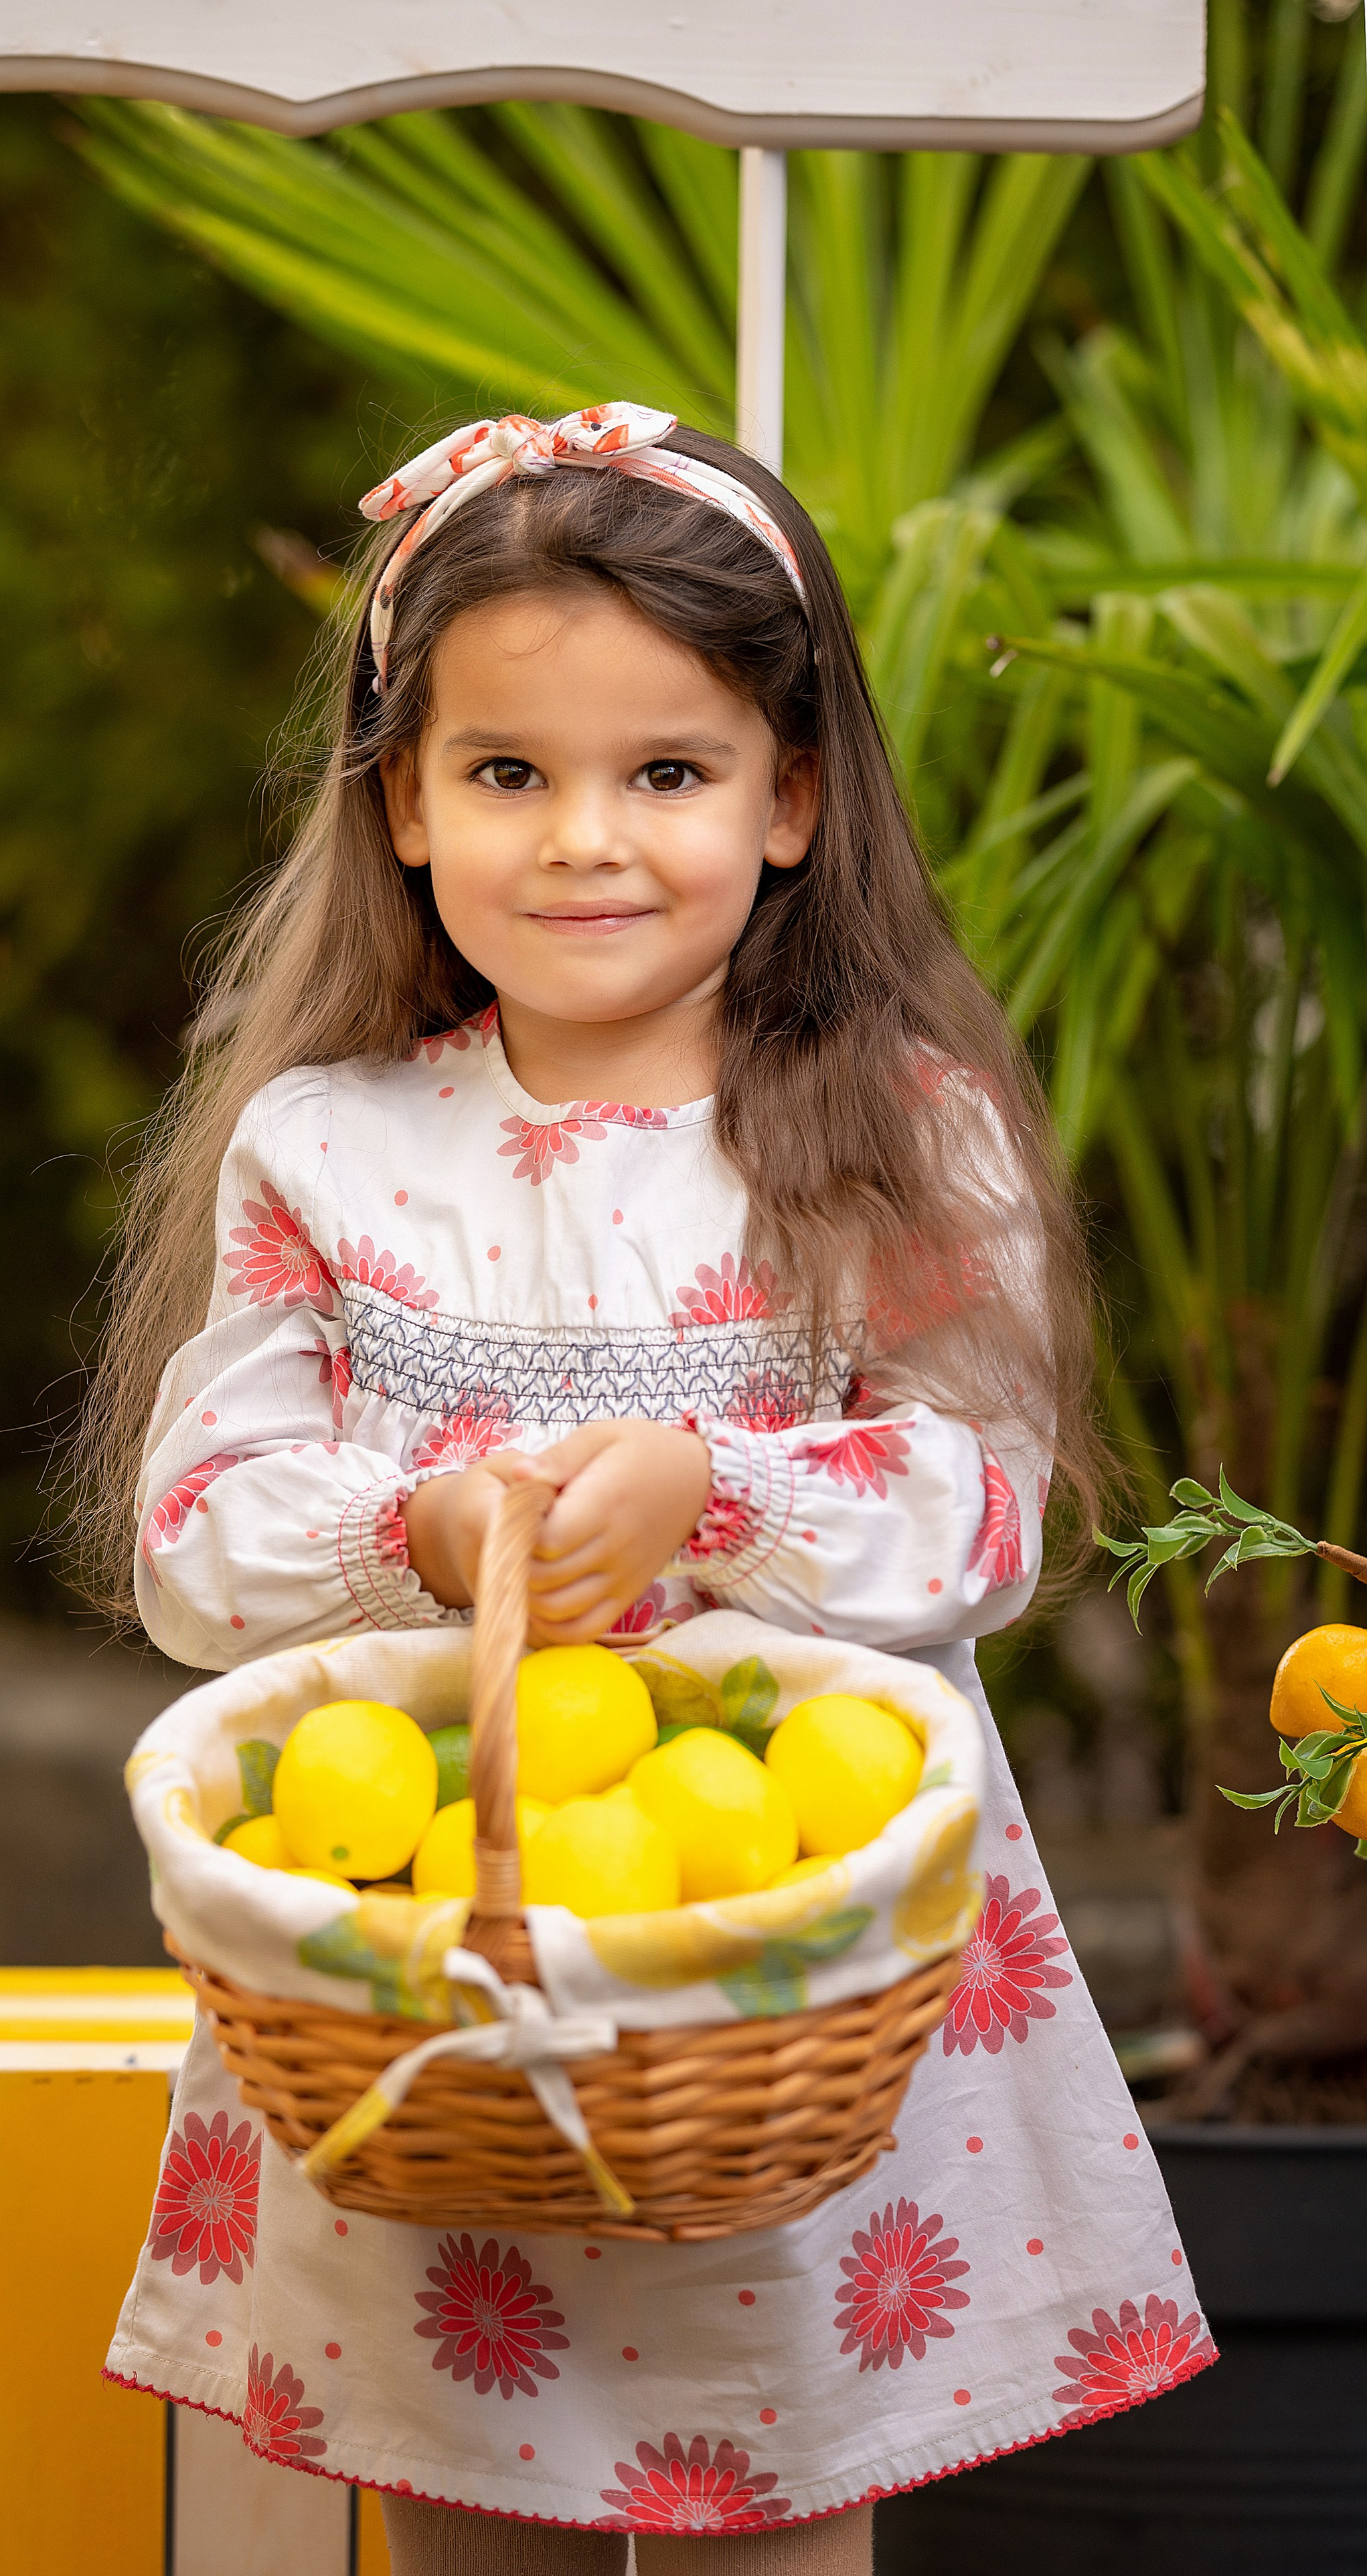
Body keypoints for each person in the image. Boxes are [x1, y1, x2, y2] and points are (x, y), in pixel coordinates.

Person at [91, 408, 1211, 2572]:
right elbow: (193, 1545)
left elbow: (986, 1513)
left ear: (791, 797)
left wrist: (715, 1493)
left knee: (763, 2490)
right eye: (509, 772)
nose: (585, 840)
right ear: (402, 800)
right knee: (466, 2477)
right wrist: (415, 1534)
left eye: (669, 773)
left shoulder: (892, 1136)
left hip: (785, 1967)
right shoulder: (331, 1147)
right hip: (439, 1948)